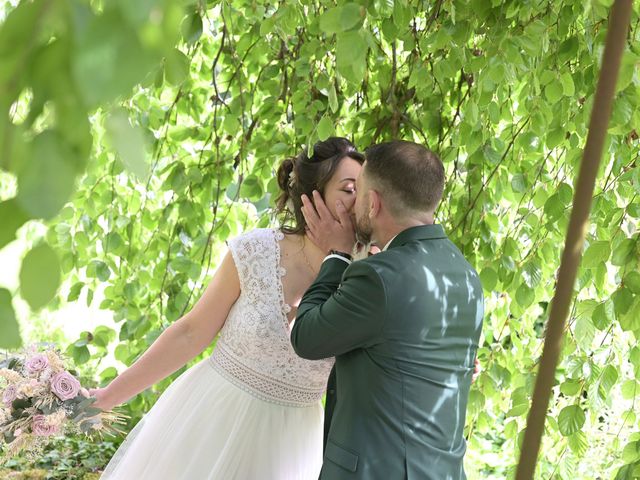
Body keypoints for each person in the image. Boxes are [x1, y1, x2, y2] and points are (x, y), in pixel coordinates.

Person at [91, 137, 365, 479]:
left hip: (290, 449)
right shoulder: (257, 252)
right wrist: (106, 397)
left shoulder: (368, 277)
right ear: (312, 196)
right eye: (349, 189)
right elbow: (191, 333)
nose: (360, 202)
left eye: (365, 190)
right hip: (211, 422)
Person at [291, 140, 484, 479]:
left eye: (359, 190)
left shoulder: (379, 277)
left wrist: (336, 254)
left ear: (374, 203)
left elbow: (306, 337)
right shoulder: (465, 274)